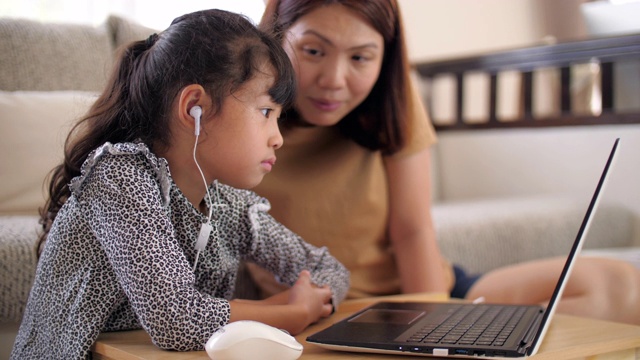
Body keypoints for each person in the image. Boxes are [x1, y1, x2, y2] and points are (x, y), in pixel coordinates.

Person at [242, 0, 640, 325]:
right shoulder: (243, 121)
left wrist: (437, 320)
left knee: (618, 285)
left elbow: (413, 232)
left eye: (361, 57)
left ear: (385, 57)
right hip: (335, 314)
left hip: (432, 292)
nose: (334, 79)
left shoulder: (390, 106)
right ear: (276, 36)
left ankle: (488, 339)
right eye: (313, 51)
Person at [11, 9, 350, 360]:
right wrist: (292, 312)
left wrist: (308, 298)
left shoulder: (229, 205)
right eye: (266, 112)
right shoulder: (120, 177)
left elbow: (328, 269)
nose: (277, 138)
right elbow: (175, 320)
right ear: (194, 108)